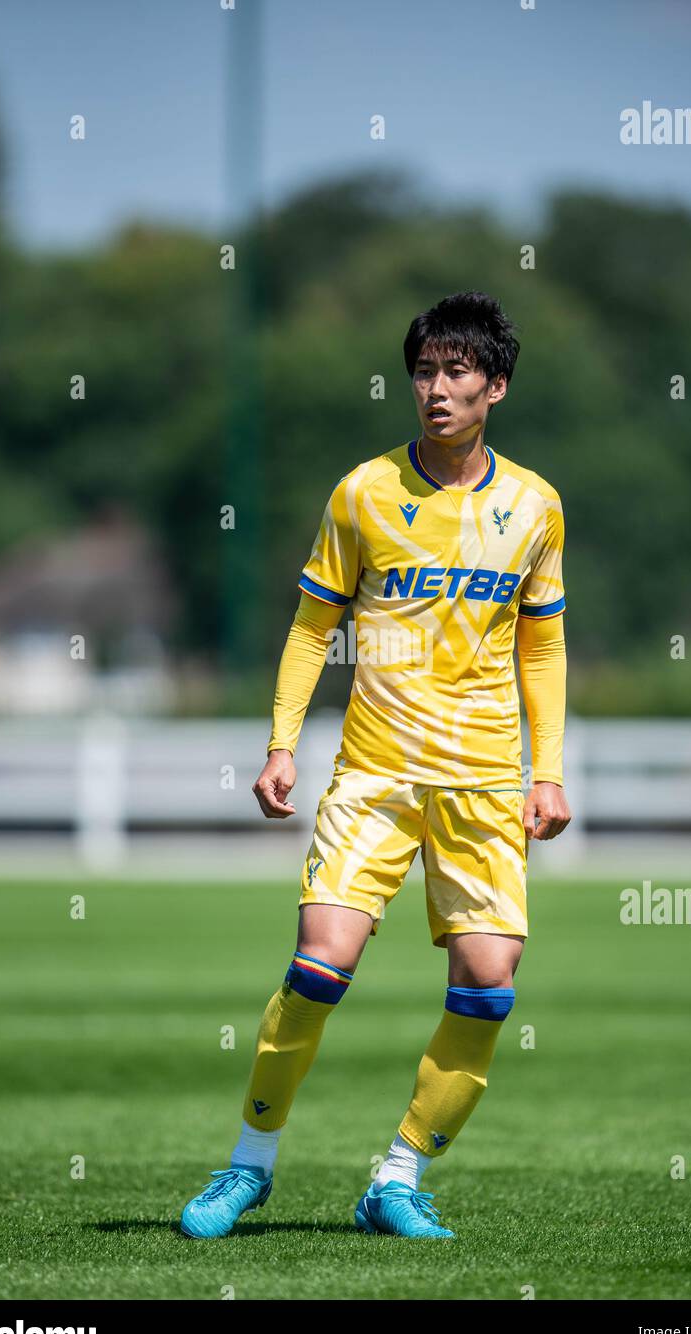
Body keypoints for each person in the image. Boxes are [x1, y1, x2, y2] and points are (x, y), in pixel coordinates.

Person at [181, 290, 571, 1240]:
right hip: (372, 776)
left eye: (457, 372)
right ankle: (248, 1167)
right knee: (321, 964)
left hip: (481, 781)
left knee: (487, 984)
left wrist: (546, 770)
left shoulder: (534, 506)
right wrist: (282, 743)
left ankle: (394, 1180)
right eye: (425, 371)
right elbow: (313, 627)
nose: (436, 390)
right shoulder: (362, 492)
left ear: (497, 387)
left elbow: (542, 648)